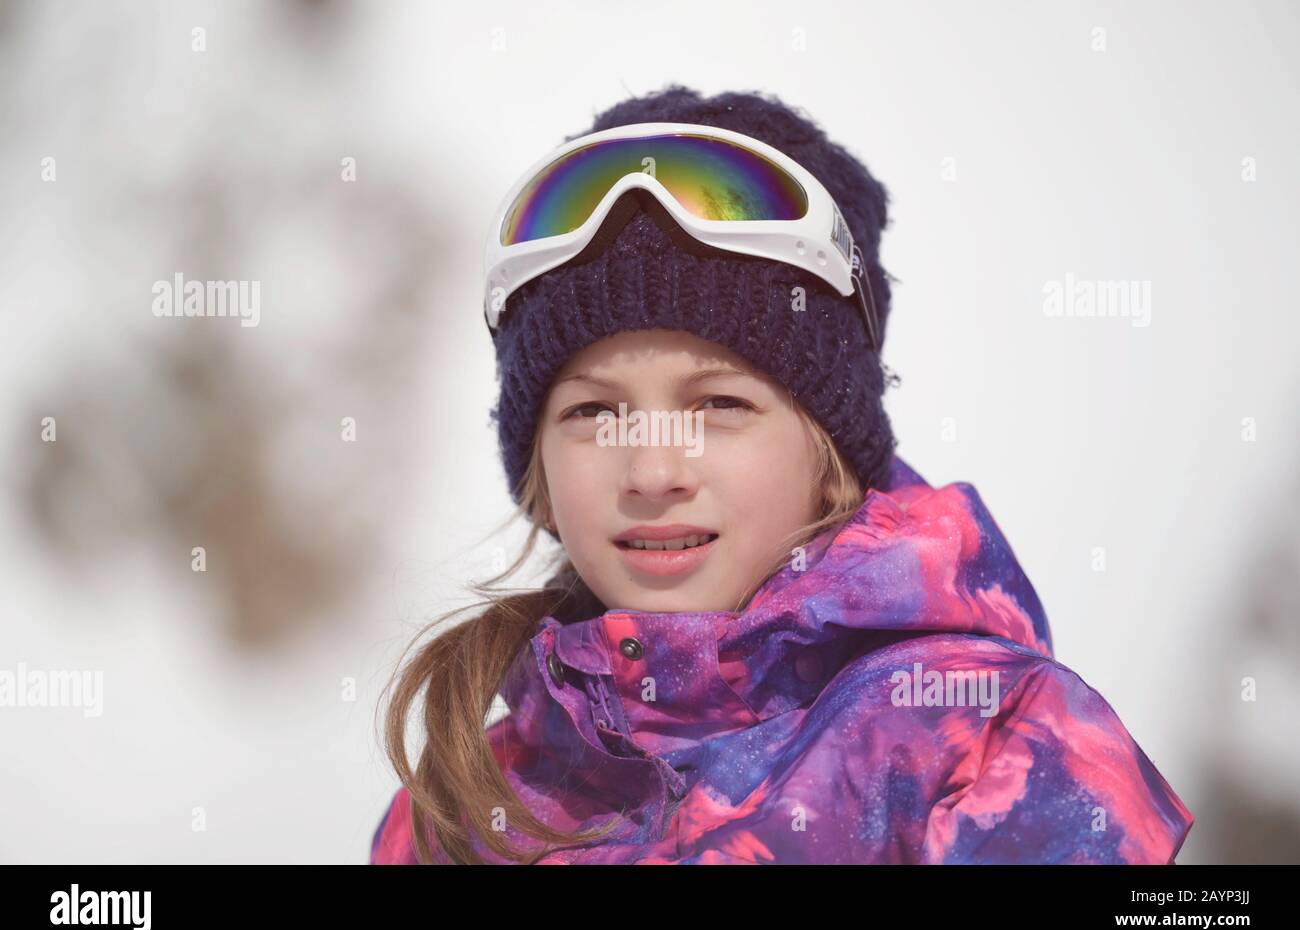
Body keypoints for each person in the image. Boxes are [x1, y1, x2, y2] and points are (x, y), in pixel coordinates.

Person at [370, 84, 1194, 864]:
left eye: (720, 405)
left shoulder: (988, 746)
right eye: (595, 413)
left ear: (829, 455)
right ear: (538, 467)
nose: (653, 469)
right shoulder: (460, 807)